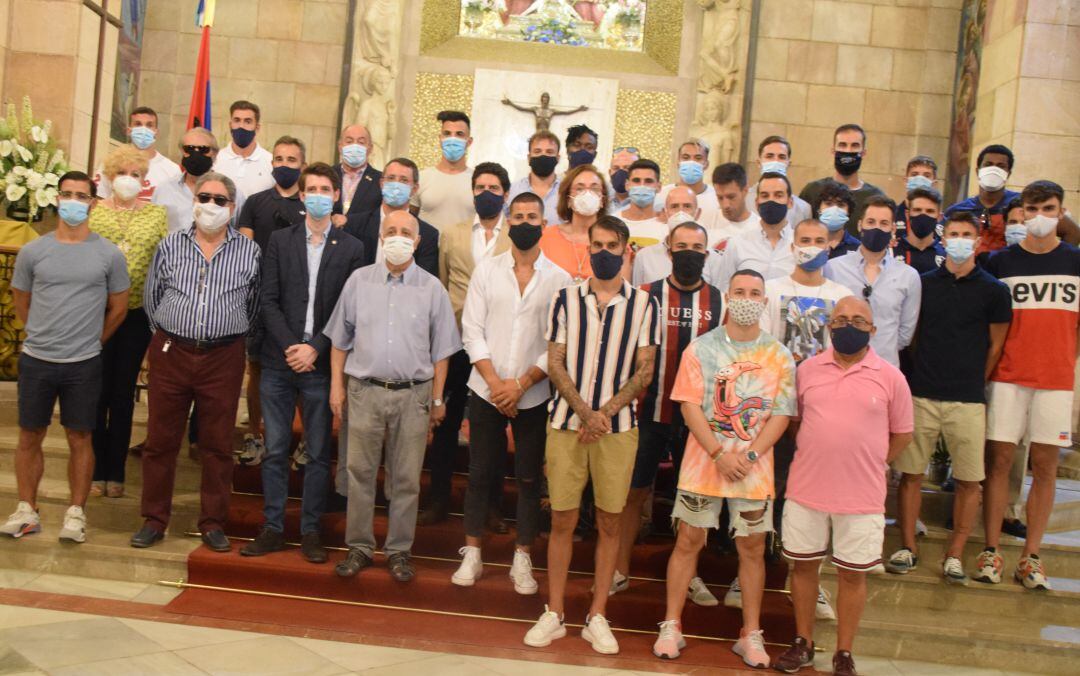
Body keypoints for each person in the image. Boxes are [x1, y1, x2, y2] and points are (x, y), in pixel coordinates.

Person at [523, 215, 659, 655]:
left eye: (611, 245)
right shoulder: (565, 299)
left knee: (609, 521)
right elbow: (555, 361)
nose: (602, 251)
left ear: (625, 250)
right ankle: (555, 612)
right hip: (566, 423)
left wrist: (604, 414)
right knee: (561, 520)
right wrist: (585, 412)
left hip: (618, 430)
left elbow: (645, 369)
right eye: (596, 244)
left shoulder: (644, 305)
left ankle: (598, 615)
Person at [653, 269, 795, 666]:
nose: (747, 298)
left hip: (754, 469)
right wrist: (719, 453)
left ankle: (750, 635)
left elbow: (781, 415)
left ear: (765, 301)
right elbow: (688, 405)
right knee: (688, 541)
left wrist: (748, 456)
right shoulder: (701, 348)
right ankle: (672, 624)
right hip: (704, 462)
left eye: (755, 292)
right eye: (740, 292)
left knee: (751, 548)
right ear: (728, 297)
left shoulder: (779, 355)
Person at [774, 297, 913, 676]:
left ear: (873, 329)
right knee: (802, 567)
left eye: (857, 320)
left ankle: (844, 652)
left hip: (862, 495)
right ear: (828, 326)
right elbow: (794, 421)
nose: (847, 325)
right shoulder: (806, 371)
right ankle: (802, 642)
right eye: (840, 320)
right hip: (807, 487)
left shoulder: (890, 377)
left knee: (853, 575)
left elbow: (902, 433)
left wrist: (871, 460)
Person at [239, 163, 365, 563]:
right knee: (275, 449)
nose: (317, 194)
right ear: (303, 196)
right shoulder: (279, 240)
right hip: (279, 362)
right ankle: (273, 527)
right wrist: (293, 346)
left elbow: (349, 310)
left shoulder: (351, 247)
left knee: (316, 454)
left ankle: (310, 530)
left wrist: (315, 348)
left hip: (321, 365)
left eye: (325, 188)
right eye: (310, 188)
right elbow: (268, 299)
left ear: (335, 196)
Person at [327, 210, 460, 583]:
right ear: (381, 238)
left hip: (412, 396)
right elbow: (340, 340)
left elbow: (442, 351)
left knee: (405, 479)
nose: (398, 237)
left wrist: (436, 399)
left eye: (406, 232)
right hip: (364, 391)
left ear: (417, 242)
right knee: (359, 474)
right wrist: (336, 386)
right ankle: (360, 546)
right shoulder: (358, 282)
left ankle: (399, 551)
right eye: (391, 231)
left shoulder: (432, 288)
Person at [132, 172, 261, 552]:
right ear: (194, 200)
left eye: (220, 200)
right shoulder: (171, 245)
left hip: (223, 356)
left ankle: (213, 522)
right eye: (204, 197)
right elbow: (152, 299)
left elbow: (252, 308)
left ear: (232, 208)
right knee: (160, 441)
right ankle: (154, 519)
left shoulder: (249, 252)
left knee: (218, 445)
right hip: (172, 352)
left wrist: (226, 336)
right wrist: (170, 336)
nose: (211, 206)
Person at [450, 191, 572, 592]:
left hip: (533, 394)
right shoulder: (488, 269)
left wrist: (520, 384)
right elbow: (472, 329)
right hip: (486, 389)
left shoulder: (560, 278)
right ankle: (472, 553)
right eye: (516, 215)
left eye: (531, 216)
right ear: (508, 218)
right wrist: (497, 382)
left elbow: (557, 340)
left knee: (528, 478)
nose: (523, 222)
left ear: (543, 223)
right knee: (481, 472)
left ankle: (523, 557)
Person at [1, 172, 129, 544]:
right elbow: (20, 299)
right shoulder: (33, 251)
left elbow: (119, 308)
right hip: (38, 359)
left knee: (80, 436)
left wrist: (94, 340)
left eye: (82, 195)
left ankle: (76, 512)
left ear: (92, 202)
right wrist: (40, 332)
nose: (74, 201)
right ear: (58, 199)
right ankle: (27, 509)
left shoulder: (107, 254)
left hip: (83, 362)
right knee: (29, 434)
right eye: (68, 194)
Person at [886, 211, 1011, 585]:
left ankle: (955, 553)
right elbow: (915, 334)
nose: (959, 239)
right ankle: (908, 546)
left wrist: (973, 379)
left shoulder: (994, 290)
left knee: (971, 480)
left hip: (967, 398)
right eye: (953, 233)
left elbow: (996, 345)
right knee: (911, 474)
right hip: (923, 392)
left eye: (966, 234)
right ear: (943, 239)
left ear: (977, 240)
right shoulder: (924, 284)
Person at [614, 221, 724, 603]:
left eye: (697, 246)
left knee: (692, 499)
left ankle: (689, 575)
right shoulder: (645, 295)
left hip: (699, 421)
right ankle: (619, 569)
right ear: (668, 249)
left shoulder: (721, 302)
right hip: (647, 410)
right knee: (633, 492)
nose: (690, 252)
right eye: (682, 246)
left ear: (707, 254)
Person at [979, 180, 1080, 590]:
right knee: (1000, 461)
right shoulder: (1000, 263)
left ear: (1061, 212)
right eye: (1033, 208)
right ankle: (990, 549)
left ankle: (1032, 555)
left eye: (1049, 208)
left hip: (1055, 380)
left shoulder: (1076, 261)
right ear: (1020, 212)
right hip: (1008, 377)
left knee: (1046, 466)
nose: (1040, 216)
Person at [422, 162, 513, 528]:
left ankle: (491, 507)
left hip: (498, 345)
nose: (486, 193)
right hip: (458, 341)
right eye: (479, 187)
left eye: (493, 187)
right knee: (446, 426)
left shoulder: (515, 236)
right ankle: (438, 499)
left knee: (489, 431)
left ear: (504, 193)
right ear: (472, 192)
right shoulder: (452, 233)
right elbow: (443, 283)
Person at [88, 147, 168, 499]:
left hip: (136, 314)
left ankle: (116, 469)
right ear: (109, 175)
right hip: (94, 312)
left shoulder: (157, 215)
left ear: (144, 180)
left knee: (122, 393)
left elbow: (162, 266)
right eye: (122, 172)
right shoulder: (93, 213)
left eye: (135, 174)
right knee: (95, 392)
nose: (128, 179)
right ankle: (94, 468)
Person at [235, 136, 309, 465]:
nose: (284, 165)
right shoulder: (255, 202)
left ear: (302, 166)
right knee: (257, 368)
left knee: (301, 371)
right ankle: (255, 433)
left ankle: (304, 440)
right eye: (279, 158)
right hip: (260, 298)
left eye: (291, 160)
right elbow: (246, 250)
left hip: (298, 302)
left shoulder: (310, 204)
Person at [824, 195, 921, 368]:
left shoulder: (909, 276)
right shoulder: (833, 269)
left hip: (884, 368)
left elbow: (905, 334)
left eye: (883, 223)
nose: (876, 228)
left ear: (892, 228)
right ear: (860, 225)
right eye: (871, 222)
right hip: (839, 365)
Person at [343, 157, 439, 276]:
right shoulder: (355, 225)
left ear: (414, 189)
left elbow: (425, 281)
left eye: (403, 180)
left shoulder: (428, 235)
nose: (396, 185)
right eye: (391, 178)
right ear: (382, 183)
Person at [154, 127, 248, 234]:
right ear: (182, 151)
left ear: (215, 153)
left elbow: (239, 234)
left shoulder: (233, 194)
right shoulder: (163, 190)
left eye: (204, 149)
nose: (196, 154)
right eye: (189, 148)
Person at [715, 172, 795, 289]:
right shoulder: (737, 244)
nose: (771, 200)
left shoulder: (800, 246)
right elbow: (724, 289)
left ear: (790, 202)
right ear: (756, 203)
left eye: (778, 195)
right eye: (765, 195)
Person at [632, 186, 724, 286]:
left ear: (697, 213)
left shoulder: (714, 259)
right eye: (674, 206)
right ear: (665, 213)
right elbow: (639, 296)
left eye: (687, 206)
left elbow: (718, 297)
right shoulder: (644, 257)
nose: (681, 212)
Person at [798, 124, 884, 230]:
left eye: (855, 145)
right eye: (842, 145)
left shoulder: (875, 196)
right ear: (833, 151)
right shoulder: (812, 190)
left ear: (863, 153)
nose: (848, 151)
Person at [943, 145, 1019, 254]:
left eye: (1001, 166)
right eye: (988, 165)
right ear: (978, 171)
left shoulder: (1019, 206)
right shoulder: (957, 211)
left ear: (1008, 173)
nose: (994, 170)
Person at [539, 163, 609, 281]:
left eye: (595, 188)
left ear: (602, 199)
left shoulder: (614, 240)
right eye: (579, 188)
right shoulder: (545, 237)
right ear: (568, 200)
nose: (587, 194)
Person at [95, 106, 181, 200]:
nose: (143, 129)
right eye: (138, 124)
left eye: (149, 125)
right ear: (129, 131)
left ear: (156, 132)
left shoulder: (172, 170)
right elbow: (99, 199)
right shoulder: (110, 163)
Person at [412, 110, 475, 231]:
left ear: (469, 141)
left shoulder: (477, 182)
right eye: (447, 133)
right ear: (440, 139)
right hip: (427, 249)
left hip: (463, 249)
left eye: (459, 134)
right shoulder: (421, 178)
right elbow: (410, 218)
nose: (452, 139)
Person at [744, 135, 811, 228]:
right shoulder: (743, 200)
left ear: (788, 164)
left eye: (782, 157)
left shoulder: (803, 208)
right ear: (759, 163)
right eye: (769, 156)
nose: (775, 161)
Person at [212, 100, 274, 198]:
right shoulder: (215, 160)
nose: (241, 126)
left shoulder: (271, 162)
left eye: (248, 121)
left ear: (257, 128)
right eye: (237, 120)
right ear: (230, 125)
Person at [656, 139, 719, 230]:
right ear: (678, 162)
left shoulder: (716, 197)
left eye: (698, 158)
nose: (691, 162)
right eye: (685, 157)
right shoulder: (662, 195)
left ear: (706, 164)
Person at [330, 124, 383, 222]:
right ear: (340, 146)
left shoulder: (380, 180)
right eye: (349, 141)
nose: (355, 146)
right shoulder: (327, 175)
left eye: (361, 142)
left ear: (370, 148)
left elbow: (378, 216)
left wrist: (348, 221)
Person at [507, 130, 562, 224]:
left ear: (557, 158)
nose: (543, 155)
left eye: (549, 152)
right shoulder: (511, 191)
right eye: (537, 151)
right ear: (529, 158)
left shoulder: (567, 192)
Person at [891, 187, 945, 274]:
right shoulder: (892, 251)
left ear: (939, 217)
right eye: (917, 210)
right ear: (907, 215)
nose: (923, 215)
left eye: (930, 211)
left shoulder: (945, 255)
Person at [618, 158, 666, 250]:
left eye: (648, 181)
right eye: (636, 181)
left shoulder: (666, 225)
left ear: (659, 187)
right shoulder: (613, 222)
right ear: (627, 185)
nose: (642, 185)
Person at [712, 162, 761, 248]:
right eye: (720, 198)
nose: (725, 205)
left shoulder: (759, 228)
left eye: (731, 197)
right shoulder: (708, 222)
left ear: (745, 190)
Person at [812, 181, 861, 260]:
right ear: (819, 209)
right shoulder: (807, 243)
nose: (834, 209)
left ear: (848, 212)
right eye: (828, 204)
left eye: (841, 205)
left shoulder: (858, 248)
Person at [893, 155, 938, 231]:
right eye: (914, 175)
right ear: (906, 181)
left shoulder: (941, 221)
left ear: (934, 184)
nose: (920, 179)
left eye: (926, 176)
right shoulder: (892, 216)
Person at [608, 146, 639, 212]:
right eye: (616, 168)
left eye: (627, 168)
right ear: (609, 173)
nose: (620, 172)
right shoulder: (601, 202)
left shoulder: (649, 204)